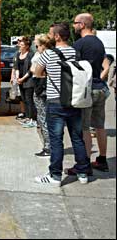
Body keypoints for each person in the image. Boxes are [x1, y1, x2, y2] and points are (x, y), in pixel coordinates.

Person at [34, 23, 91, 186]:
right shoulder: (75, 52)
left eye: (51, 34)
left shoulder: (48, 54)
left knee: (56, 140)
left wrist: (49, 72)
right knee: (77, 138)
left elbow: (37, 72)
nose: (49, 36)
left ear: (57, 36)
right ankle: (82, 173)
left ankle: (55, 176)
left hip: (55, 101)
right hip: (75, 100)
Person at [70, 13, 109, 173]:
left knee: (84, 127)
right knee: (100, 126)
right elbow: (104, 64)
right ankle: (102, 159)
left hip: (88, 90)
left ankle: (84, 164)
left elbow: (72, 67)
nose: (73, 26)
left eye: (75, 23)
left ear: (83, 25)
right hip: (101, 88)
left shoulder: (79, 44)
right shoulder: (99, 43)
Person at [30, 34, 54, 157]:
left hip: (41, 86)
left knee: (43, 117)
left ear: (43, 45)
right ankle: (49, 145)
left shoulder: (45, 55)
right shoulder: (49, 54)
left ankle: (48, 147)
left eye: (38, 45)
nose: (36, 47)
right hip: (42, 86)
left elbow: (38, 71)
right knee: (44, 117)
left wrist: (36, 70)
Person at [14, 36, 36, 127]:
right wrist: (17, 77)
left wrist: (23, 78)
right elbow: (16, 67)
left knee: (29, 99)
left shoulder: (31, 55)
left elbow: (31, 69)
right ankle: (27, 117)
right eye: (20, 44)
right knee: (23, 99)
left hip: (28, 80)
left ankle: (32, 118)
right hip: (21, 80)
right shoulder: (18, 54)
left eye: (22, 45)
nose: (20, 46)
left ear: (27, 46)